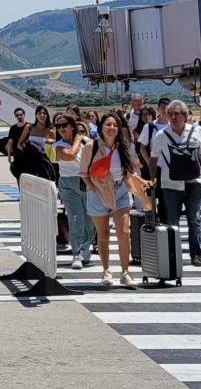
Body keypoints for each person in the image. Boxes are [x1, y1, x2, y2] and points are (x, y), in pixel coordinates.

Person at [80, 113, 148, 288]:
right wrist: (92, 188)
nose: (111, 128)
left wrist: (140, 182)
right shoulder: (91, 146)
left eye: (115, 125)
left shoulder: (123, 147)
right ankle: (106, 270)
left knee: (124, 232)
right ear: (101, 127)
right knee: (103, 234)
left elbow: (129, 171)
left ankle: (125, 272)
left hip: (120, 190)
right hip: (98, 192)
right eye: (108, 124)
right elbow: (83, 173)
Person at [149, 100, 201, 267]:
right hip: (170, 183)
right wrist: (152, 180)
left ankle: (196, 254)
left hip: (193, 181)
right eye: (170, 114)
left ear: (185, 115)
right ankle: (173, 254)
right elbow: (153, 158)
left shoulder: (196, 131)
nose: (173, 117)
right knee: (171, 220)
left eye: (177, 114)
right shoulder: (161, 135)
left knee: (195, 219)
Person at [54, 114, 93, 269]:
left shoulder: (87, 143)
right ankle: (76, 253)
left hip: (86, 181)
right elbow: (69, 156)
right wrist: (78, 139)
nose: (61, 129)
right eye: (59, 126)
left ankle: (86, 246)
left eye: (64, 125)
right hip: (68, 183)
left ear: (72, 127)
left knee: (90, 220)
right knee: (75, 218)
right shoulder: (58, 145)